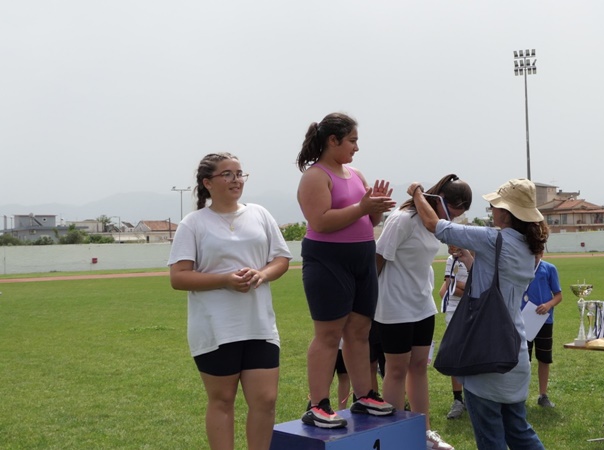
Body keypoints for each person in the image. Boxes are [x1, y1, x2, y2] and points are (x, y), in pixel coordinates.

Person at [409, 178, 548, 450]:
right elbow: (493, 279)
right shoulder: (528, 248)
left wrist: (416, 192)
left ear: (506, 214)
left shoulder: (492, 238)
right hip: (514, 353)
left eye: (495, 205)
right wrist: (468, 258)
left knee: (491, 440)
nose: (492, 209)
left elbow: (435, 225)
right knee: (519, 432)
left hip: (485, 354)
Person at [168, 152, 292, 450]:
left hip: (259, 325)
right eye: (228, 174)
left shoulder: (260, 214)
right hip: (215, 329)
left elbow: (281, 259)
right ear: (207, 183)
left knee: (266, 400)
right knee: (222, 400)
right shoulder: (193, 223)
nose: (236, 180)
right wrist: (225, 280)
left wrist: (262, 274)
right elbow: (179, 277)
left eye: (239, 174)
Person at [296, 112, 396, 429]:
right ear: (332, 140)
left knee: (359, 331)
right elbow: (321, 221)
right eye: (351, 141)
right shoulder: (316, 176)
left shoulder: (355, 174)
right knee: (328, 335)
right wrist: (363, 207)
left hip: (362, 256)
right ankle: (317, 404)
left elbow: (366, 220)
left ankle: (364, 395)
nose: (355, 148)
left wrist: (375, 209)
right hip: (327, 259)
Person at [375, 174, 472, 450]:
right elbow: (378, 258)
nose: (451, 220)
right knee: (395, 370)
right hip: (394, 305)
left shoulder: (437, 225)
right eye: (451, 213)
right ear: (438, 199)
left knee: (419, 368)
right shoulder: (403, 219)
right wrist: (368, 302)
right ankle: (394, 437)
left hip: (422, 305)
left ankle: (423, 432)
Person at [437, 244, 474, 419]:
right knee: (455, 355)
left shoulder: (479, 258)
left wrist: (460, 286)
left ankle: (473, 398)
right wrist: (469, 287)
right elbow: (449, 287)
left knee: (473, 354)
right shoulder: (452, 260)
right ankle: (458, 399)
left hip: (474, 310)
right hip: (453, 311)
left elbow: (481, 287)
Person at [522, 251, 562, 408]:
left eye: (538, 250)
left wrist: (548, 305)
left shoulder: (549, 268)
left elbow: (558, 295)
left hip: (543, 320)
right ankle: (520, 395)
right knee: (523, 360)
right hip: (522, 320)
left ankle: (543, 394)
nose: (535, 254)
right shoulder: (520, 267)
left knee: (544, 358)